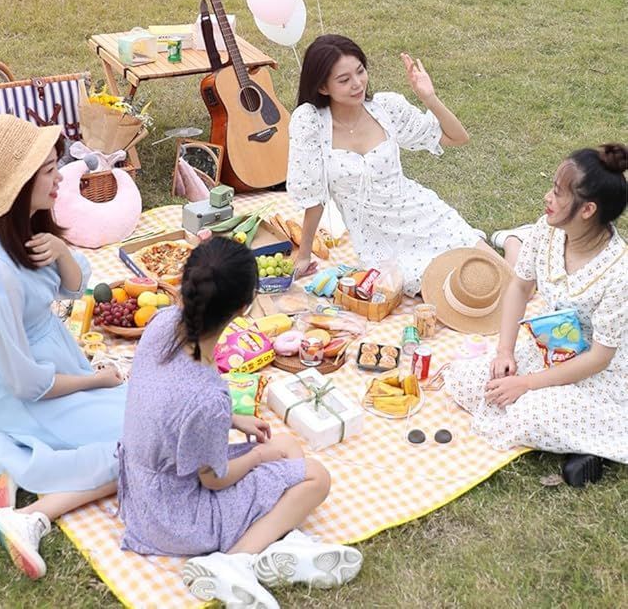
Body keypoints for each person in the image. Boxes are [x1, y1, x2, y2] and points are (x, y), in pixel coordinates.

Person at [118, 236, 363, 608]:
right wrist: (259, 456)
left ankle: (283, 543)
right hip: (176, 518)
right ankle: (236, 560)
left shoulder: (160, 324)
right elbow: (214, 481)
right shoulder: (207, 395)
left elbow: (171, 402)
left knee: (286, 448)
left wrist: (234, 419)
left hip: (140, 491)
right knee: (315, 476)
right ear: (244, 308)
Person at [0, 115, 126, 579]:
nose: (61, 178)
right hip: (30, 393)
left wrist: (62, 250)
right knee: (137, 445)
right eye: (51, 170)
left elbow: (73, 290)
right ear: (22, 183)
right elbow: (25, 382)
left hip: (59, 366)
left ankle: (15, 466)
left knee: (148, 417)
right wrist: (96, 381)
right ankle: (31, 515)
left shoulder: (25, 228)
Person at [444, 144, 627, 484]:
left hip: (597, 371)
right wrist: (505, 352)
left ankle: (593, 444)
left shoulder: (619, 272)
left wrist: (526, 384)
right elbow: (519, 287)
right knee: (469, 379)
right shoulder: (547, 230)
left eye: (558, 193)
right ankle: (575, 436)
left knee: (530, 412)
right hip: (549, 344)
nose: (547, 197)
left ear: (587, 209)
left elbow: (600, 358)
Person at [287, 34, 520, 295]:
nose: (357, 83)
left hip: (423, 215)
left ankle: (514, 241)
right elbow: (315, 197)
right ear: (323, 87)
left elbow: (458, 137)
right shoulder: (310, 123)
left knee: (507, 285)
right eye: (344, 80)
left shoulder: (387, 107)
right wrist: (304, 255)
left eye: (360, 71)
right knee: (450, 296)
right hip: (378, 241)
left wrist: (429, 97)